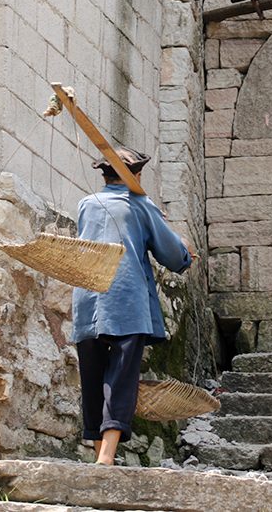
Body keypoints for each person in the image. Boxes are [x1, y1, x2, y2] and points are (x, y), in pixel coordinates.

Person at [73, 147, 195, 465]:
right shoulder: (141, 205)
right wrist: (185, 253)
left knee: (93, 376)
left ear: (105, 176)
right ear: (136, 176)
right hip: (126, 300)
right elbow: (170, 254)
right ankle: (107, 457)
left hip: (87, 301)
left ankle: (99, 453)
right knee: (121, 377)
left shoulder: (86, 204)